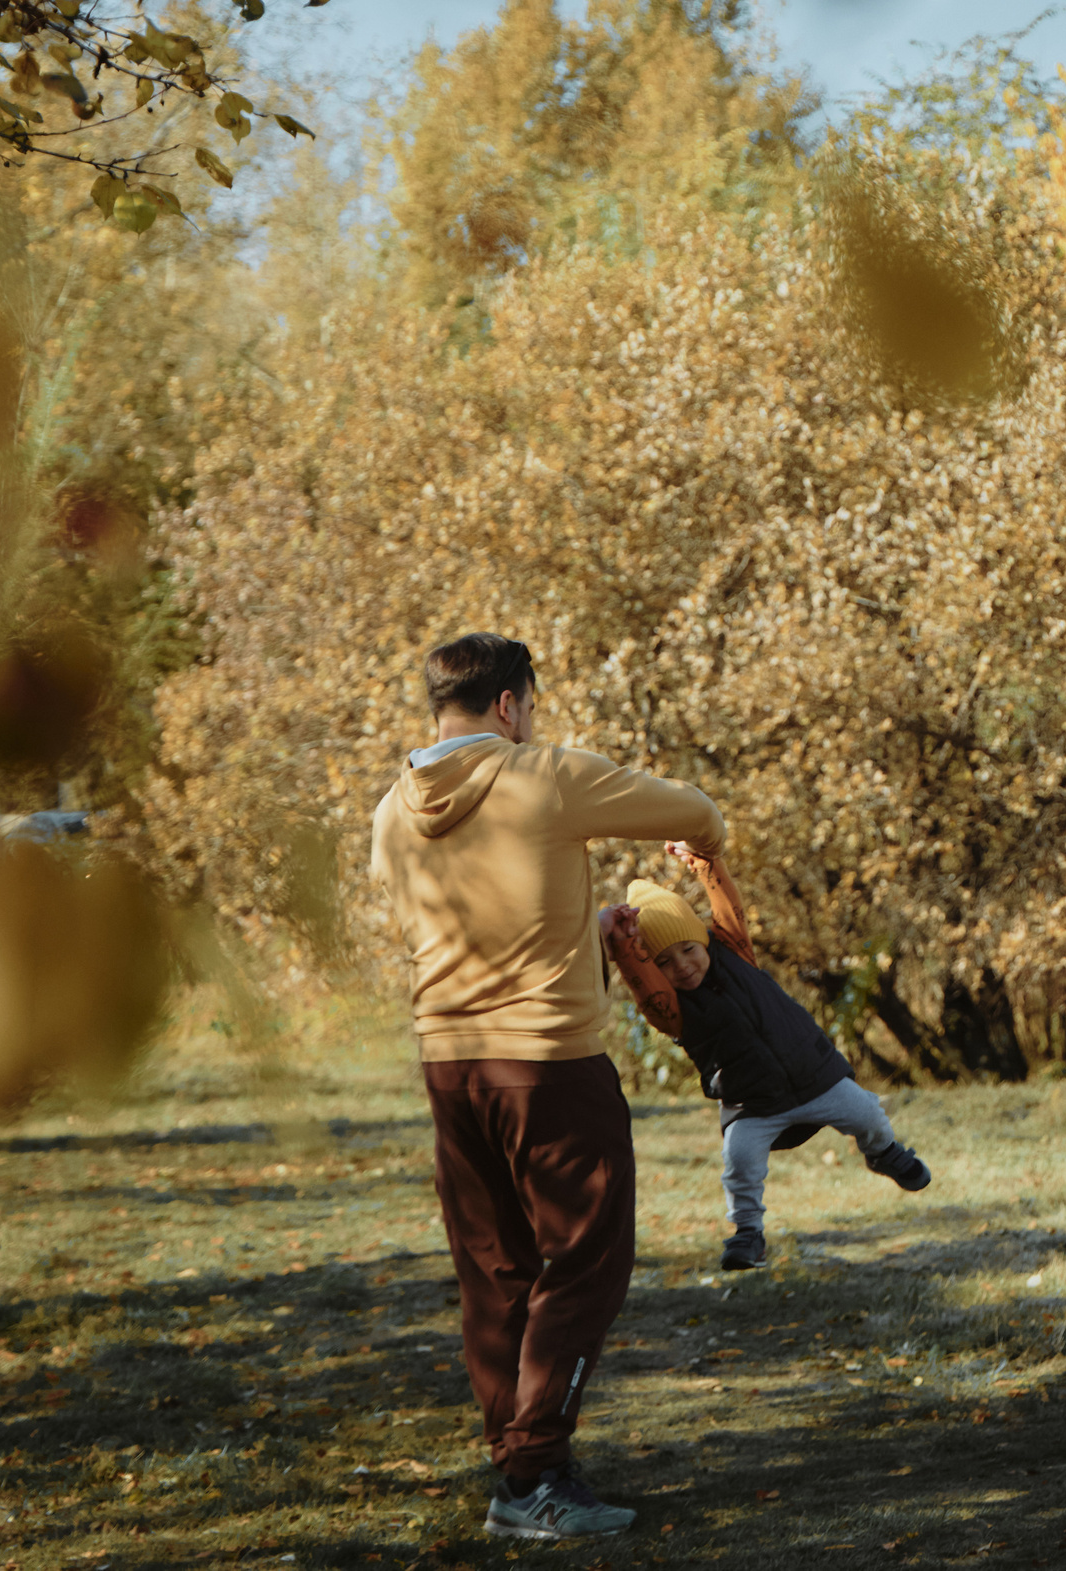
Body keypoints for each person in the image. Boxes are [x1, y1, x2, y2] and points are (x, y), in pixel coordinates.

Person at [370, 632, 727, 1543]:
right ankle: (534, 1470)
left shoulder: (391, 813)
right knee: (588, 1258)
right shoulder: (546, 775)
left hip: (449, 1063)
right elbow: (695, 808)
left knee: (496, 1270)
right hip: (551, 1061)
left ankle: (524, 1468)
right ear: (507, 705)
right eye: (529, 705)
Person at [599, 840, 931, 1272]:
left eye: (688, 950)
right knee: (740, 1162)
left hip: (815, 1077)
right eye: (664, 962)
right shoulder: (672, 1011)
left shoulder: (735, 952)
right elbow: (643, 986)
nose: (682, 966)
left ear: (704, 941)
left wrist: (705, 863)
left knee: (866, 1112)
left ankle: (884, 1152)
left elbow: (727, 904)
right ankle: (747, 1232)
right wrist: (626, 949)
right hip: (751, 1103)